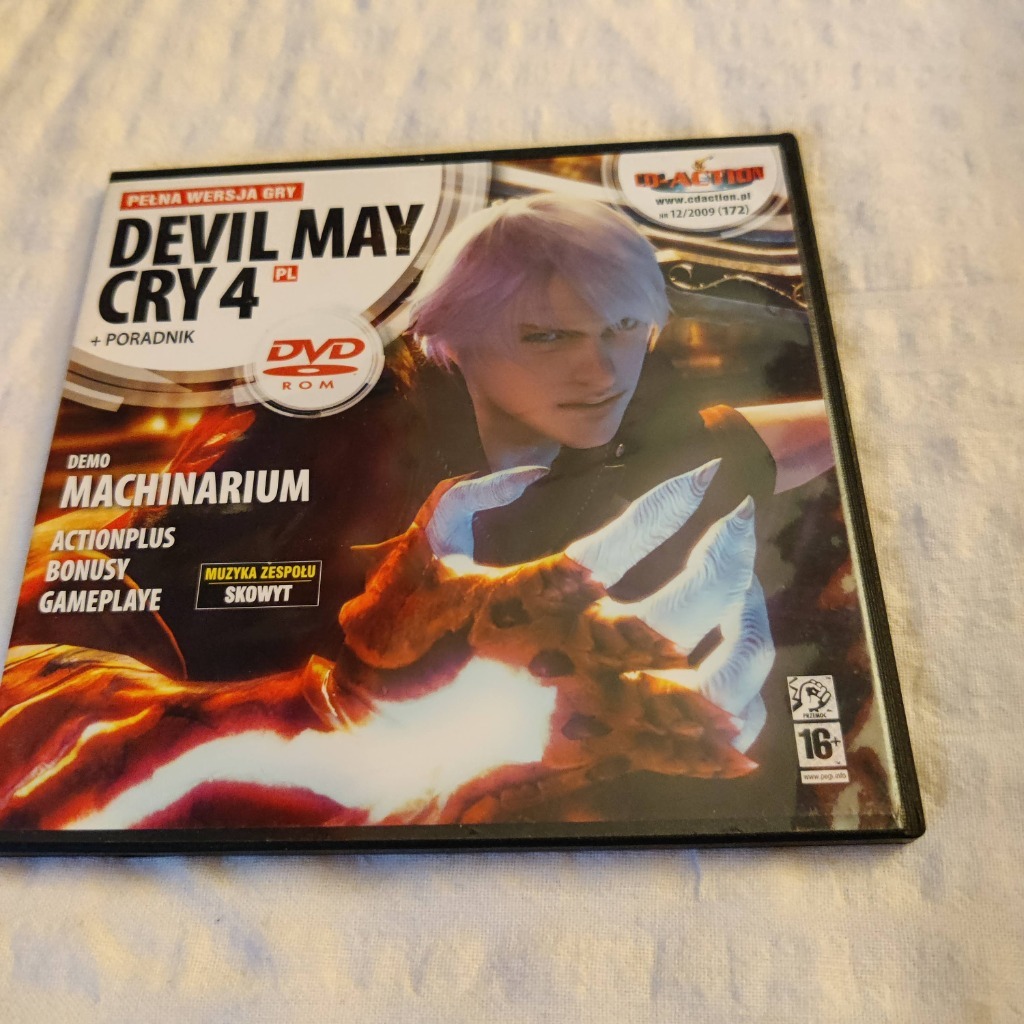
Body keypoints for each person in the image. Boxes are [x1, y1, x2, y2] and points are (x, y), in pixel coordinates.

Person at [0, 194, 834, 831]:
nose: (602, 370)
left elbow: (733, 447)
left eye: (624, 328)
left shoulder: (590, 432)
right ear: (455, 337)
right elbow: (63, 625)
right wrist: (335, 722)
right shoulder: (325, 437)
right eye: (547, 336)